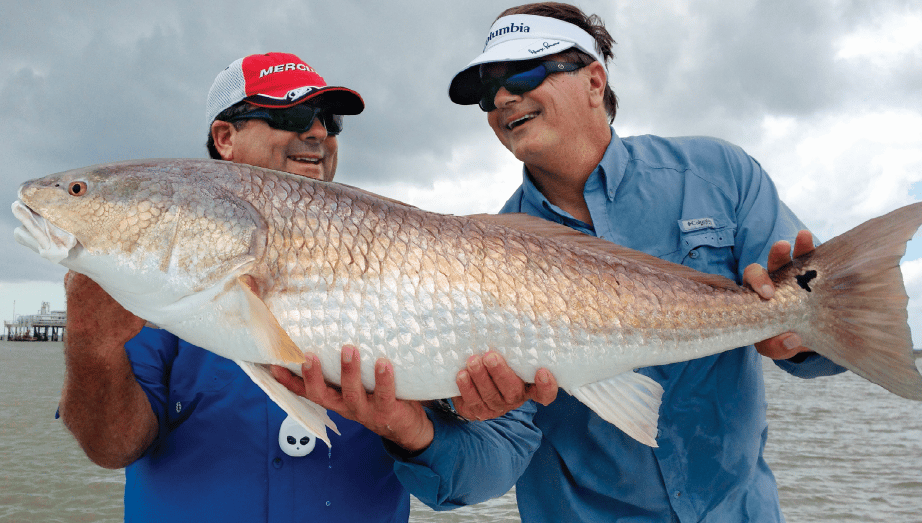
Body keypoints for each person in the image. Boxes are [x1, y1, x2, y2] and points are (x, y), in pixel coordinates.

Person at [59, 52, 542, 523]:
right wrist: (90, 346)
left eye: (330, 120)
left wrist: (412, 430)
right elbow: (111, 446)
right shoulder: (157, 268)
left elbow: (496, 469)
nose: (316, 131)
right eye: (291, 113)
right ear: (224, 137)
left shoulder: (417, 257)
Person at [427, 3, 848, 521]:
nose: (502, 99)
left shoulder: (721, 175)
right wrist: (444, 416)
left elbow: (831, 324)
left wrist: (800, 338)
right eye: (485, 92)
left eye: (524, 72)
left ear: (594, 80)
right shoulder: (477, 253)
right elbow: (489, 463)